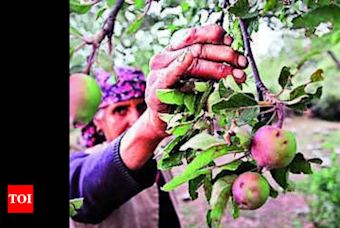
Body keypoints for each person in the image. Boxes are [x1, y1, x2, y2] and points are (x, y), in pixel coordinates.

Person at [69, 24, 249, 228]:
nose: (134, 118)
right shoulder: (85, 162)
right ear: (97, 120)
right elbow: (80, 189)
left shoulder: (161, 153)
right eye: (119, 111)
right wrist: (149, 125)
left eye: (141, 107)